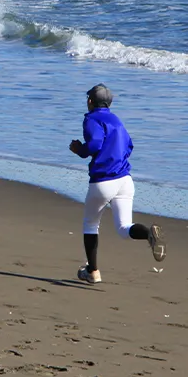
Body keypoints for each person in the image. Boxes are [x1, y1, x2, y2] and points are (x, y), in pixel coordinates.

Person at [69, 83, 166, 284]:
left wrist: (80, 150)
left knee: (90, 224)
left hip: (103, 181)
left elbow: (95, 144)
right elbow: (129, 146)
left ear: (90, 101)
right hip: (124, 180)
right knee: (124, 227)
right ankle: (148, 234)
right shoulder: (116, 120)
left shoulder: (91, 119)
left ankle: (93, 272)